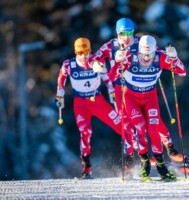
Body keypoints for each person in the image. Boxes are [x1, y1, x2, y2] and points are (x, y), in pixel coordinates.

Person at [88, 18, 186, 168]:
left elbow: (156, 53)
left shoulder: (140, 42)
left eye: (129, 33)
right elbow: (94, 58)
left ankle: (170, 148)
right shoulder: (111, 45)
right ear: (117, 33)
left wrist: (170, 57)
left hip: (142, 86)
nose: (126, 37)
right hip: (120, 88)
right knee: (127, 123)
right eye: (122, 34)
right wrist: (96, 64)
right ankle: (131, 157)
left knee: (153, 120)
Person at [55, 37, 133, 179]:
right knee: (85, 132)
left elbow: (107, 78)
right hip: (81, 104)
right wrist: (59, 95)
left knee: (122, 126)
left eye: (86, 52)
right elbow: (61, 79)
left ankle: (131, 159)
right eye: (80, 52)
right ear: (75, 51)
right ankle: (86, 167)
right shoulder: (69, 64)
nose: (84, 56)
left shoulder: (96, 62)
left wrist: (111, 92)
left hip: (98, 102)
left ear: (90, 50)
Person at [113, 35, 186, 181]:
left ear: (155, 51)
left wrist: (174, 58)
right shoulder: (130, 57)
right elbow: (112, 75)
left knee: (153, 128)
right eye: (143, 55)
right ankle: (144, 160)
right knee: (140, 127)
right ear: (138, 51)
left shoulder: (160, 57)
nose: (146, 59)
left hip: (150, 98)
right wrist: (118, 61)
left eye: (150, 55)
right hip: (131, 98)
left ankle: (160, 164)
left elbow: (182, 72)